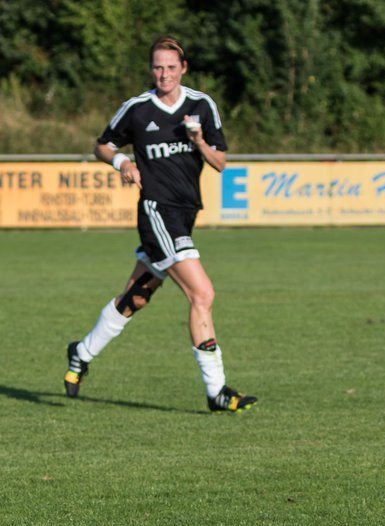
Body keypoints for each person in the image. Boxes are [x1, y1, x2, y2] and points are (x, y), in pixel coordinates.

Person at [64, 36, 256, 413]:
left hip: (185, 214)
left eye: (170, 67)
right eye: (157, 67)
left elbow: (220, 163)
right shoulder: (136, 109)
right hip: (156, 212)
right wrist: (123, 163)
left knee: (136, 297)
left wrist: (198, 141)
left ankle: (81, 353)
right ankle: (217, 391)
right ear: (151, 69)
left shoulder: (202, 105)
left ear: (183, 68)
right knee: (202, 294)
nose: (163, 74)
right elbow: (102, 146)